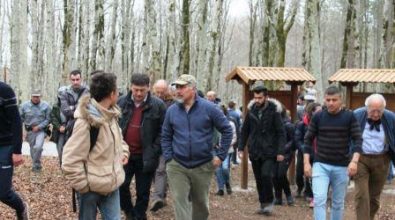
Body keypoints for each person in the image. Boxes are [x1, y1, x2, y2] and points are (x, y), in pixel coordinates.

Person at [162, 74, 232, 220]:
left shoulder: (210, 108)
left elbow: (227, 130)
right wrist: (169, 158)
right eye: (177, 87)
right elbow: (166, 136)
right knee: (180, 200)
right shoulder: (172, 111)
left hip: (203, 164)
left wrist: (220, 155)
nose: (178, 91)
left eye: (182, 87)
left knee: (200, 204)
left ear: (193, 89)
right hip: (177, 165)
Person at [62, 72, 129, 220]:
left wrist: (123, 152)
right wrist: (85, 187)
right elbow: (69, 161)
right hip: (91, 190)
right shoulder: (86, 122)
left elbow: (119, 140)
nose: (118, 93)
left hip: (112, 186)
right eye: (117, 90)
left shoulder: (110, 115)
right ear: (112, 94)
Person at [304, 86, 362, 220]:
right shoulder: (318, 116)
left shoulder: (349, 116)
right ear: (324, 100)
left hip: (342, 165)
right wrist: (307, 163)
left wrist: (354, 161)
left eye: (334, 100)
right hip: (320, 164)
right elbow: (307, 139)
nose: (330, 103)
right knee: (319, 199)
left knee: (338, 202)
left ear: (341, 100)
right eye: (328, 100)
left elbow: (358, 139)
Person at [118, 73, 166, 220]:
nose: (138, 93)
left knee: (143, 191)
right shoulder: (121, 103)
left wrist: (155, 149)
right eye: (136, 89)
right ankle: (129, 212)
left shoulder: (158, 105)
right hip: (125, 154)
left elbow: (163, 131)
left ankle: (139, 215)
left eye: (142, 90)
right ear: (131, 87)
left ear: (148, 88)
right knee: (121, 185)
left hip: (146, 155)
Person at [238, 81, 286, 215]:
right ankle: (263, 204)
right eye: (255, 97)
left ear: (266, 97)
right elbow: (245, 130)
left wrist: (281, 151)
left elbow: (281, 132)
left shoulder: (274, 111)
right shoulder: (251, 110)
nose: (257, 100)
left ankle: (270, 202)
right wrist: (241, 147)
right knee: (259, 178)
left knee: (266, 175)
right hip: (255, 150)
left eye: (260, 98)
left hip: (270, 150)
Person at [353, 94, 395, 220]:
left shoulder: (391, 118)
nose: (376, 114)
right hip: (361, 158)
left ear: (384, 109)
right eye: (373, 111)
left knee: (374, 197)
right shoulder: (356, 115)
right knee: (362, 195)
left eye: (379, 111)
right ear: (367, 108)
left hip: (382, 160)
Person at [0, 81, 29, 219]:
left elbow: (17, 121)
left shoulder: (4, 90)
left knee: (3, 193)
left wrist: (17, 150)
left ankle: (21, 207)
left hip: (5, 145)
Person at [150, 79, 173, 212]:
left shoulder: (173, 104)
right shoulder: (150, 102)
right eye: (157, 92)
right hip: (152, 143)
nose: (159, 94)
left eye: (162, 92)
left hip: (166, 142)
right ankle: (161, 194)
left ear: (167, 91)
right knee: (155, 171)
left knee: (161, 169)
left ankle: (157, 197)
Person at [294, 102, 322, 208]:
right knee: (300, 172)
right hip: (304, 152)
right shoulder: (302, 124)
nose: (321, 113)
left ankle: (310, 193)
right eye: (318, 111)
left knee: (313, 174)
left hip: (317, 153)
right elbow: (297, 139)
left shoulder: (322, 122)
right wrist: (304, 149)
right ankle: (300, 188)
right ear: (312, 111)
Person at [20, 89, 51, 172]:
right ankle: (37, 165)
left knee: (38, 147)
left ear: (40, 96)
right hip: (30, 131)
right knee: (33, 148)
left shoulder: (46, 106)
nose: (36, 98)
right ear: (31, 96)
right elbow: (20, 119)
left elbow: (48, 119)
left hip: (41, 131)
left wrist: (39, 126)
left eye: (37, 96)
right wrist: (21, 132)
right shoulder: (24, 106)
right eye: (34, 96)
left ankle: (35, 165)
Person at [273, 107, 295, 206]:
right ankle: (278, 197)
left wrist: (282, 149)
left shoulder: (289, 125)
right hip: (273, 153)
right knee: (274, 175)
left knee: (281, 174)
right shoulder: (272, 124)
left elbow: (293, 140)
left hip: (285, 154)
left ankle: (288, 195)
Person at [59, 70, 89, 140]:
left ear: (81, 79)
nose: (75, 82)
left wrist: (72, 107)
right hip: (69, 124)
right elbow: (65, 110)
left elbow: (85, 107)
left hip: (84, 123)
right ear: (70, 80)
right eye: (73, 80)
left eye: (77, 79)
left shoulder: (87, 91)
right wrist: (77, 109)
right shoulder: (65, 93)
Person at [215, 105, 237, 196]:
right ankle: (220, 188)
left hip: (226, 150)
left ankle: (227, 182)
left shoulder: (230, 124)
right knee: (217, 169)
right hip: (215, 149)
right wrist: (214, 144)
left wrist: (225, 145)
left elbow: (234, 137)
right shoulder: (213, 123)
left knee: (224, 168)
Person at [50, 87, 67, 165]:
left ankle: (68, 165)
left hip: (70, 130)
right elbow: (53, 118)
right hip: (59, 130)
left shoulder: (73, 105)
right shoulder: (55, 106)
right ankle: (61, 164)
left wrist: (67, 127)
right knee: (60, 149)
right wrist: (59, 127)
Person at [228, 101, 241, 165]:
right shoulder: (236, 114)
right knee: (234, 146)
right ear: (233, 106)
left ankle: (229, 159)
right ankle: (234, 160)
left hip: (226, 131)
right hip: (235, 131)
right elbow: (239, 124)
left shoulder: (226, 112)